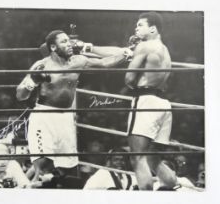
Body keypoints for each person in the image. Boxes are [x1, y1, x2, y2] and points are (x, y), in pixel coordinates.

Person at [16, 30, 132, 185]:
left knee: (65, 168)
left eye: (69, 40)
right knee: (43, 166)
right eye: (63, 42)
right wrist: (32, 82)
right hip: (44, 117)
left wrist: (127, 53)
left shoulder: (78, 61)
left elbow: (105, 63)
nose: (69, 44)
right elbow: (20, 95)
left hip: (66, 118)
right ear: (53, 47)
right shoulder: (42, 65)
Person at [90, 12, 177, 190]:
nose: (135, 28)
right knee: (153, 158)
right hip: (163, 104)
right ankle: (174, 187)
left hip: (145, 102)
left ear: (152, 28)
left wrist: (132, 66)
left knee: (137, 157)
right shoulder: (164, 49)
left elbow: (129, 79)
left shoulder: (144, 46)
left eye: (140, 25)